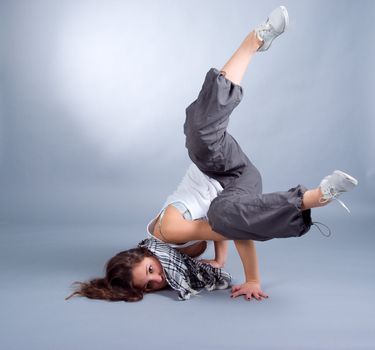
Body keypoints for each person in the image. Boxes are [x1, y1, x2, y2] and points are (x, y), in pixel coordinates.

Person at [65, 6, 358, 303]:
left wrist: (246, 272)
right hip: (237, 190)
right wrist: (226, 264)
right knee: (222, 212)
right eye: (151, 285)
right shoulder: (180, 258)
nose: (159, 278)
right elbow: (223, 224)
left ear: (144, 252)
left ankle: (255, 40)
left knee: (200, 135)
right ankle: (319, 195)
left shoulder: (169, 230)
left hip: (220, 169)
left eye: (150, 270)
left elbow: (222, 227)